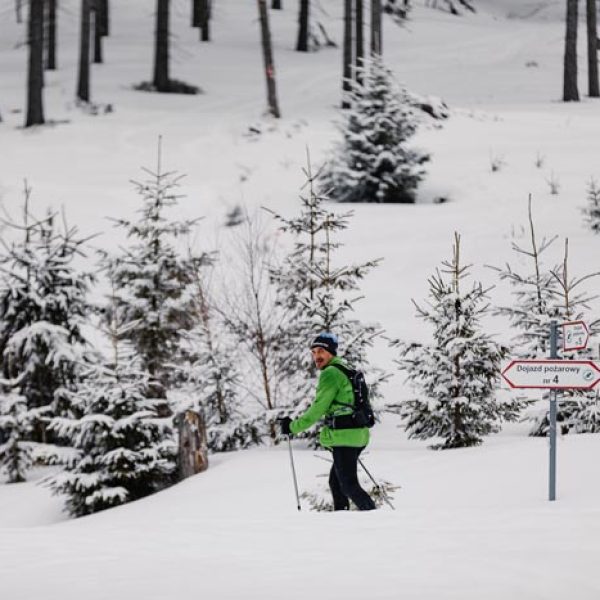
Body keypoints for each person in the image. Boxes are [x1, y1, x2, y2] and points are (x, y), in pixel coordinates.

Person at [279, 332, 376, 511]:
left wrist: (292, 427)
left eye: (321, 351)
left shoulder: (330, 373)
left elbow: (317, 409)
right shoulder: (346, 369)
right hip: (357, 434)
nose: (317, 356)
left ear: (331, 352)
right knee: (336, 483)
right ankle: (342, 521)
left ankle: (376, 518)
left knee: (348, 486)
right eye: (314, 352)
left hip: (344, 437)